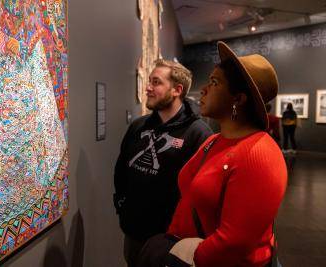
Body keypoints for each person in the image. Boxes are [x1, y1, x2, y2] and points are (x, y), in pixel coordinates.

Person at [161, 42, 287, 267]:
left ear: (238, 99)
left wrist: (182, 258)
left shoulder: (260, 154)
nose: (204, 89)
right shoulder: (213, 141)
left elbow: (233, 244)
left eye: (214, 82)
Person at [114, 59, 213, 267]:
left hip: (170, 241)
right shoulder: (138, 126)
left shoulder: (198, 134)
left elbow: (202, 194)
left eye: (156, 82)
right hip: (133, 234)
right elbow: (121, 171)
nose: (148, 87)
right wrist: (123, 207)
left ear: (177, 90)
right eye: (149, 81)